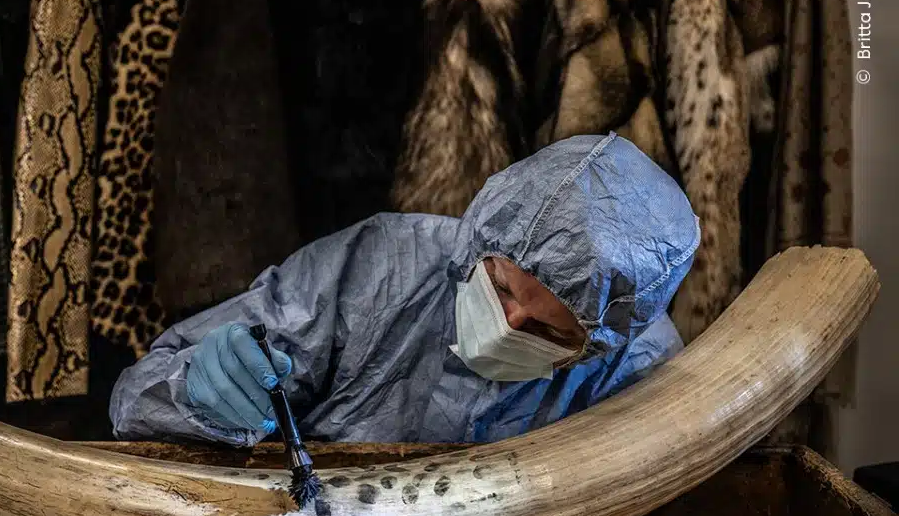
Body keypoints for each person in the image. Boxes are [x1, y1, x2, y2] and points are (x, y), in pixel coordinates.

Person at [111, 133, 700, 445]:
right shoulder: (380, 267)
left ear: (599, 343)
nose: (507, 324)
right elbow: (136, 397)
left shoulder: (639, 369)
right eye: (500, 288)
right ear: (483, 239)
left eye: (548, 330)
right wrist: (193, 391)